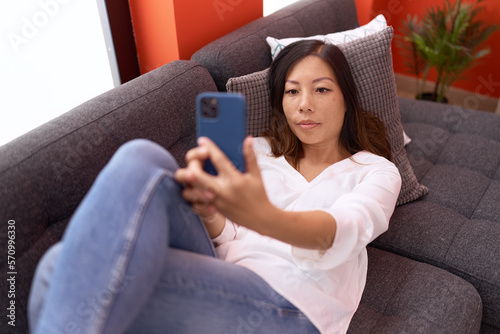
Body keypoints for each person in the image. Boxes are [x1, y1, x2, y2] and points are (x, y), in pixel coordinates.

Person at [28, 39, 401, 334]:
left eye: (321, 90)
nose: (304, 105)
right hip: (220, 270)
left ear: (346, 99)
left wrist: (265, 217)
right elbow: (229, 235)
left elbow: (344, 230)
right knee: (142, 157)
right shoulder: (256, 151)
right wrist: (209, 212)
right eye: (292, 92)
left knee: (55, 268)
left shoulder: (375, 172)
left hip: (295, 308)